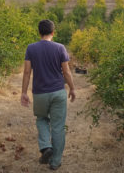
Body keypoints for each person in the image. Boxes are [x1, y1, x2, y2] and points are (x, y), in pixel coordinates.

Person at [21, 19, 76, 170]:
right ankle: (55, 162)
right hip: (58, 92)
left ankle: (45, 147)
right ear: (53, 32)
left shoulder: (31, 48)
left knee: (41, 119)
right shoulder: (60, 48)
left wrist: (24, 92)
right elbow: (66, 71)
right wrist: (72, 88)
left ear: (39, 32)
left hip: (40, 93)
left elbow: (27, 72)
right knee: (58, 127)